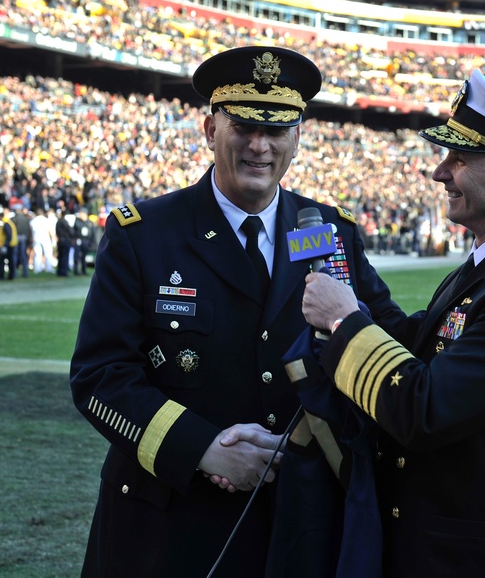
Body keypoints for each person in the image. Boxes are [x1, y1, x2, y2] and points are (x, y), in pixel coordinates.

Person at [70, 46, 403, 578]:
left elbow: (390, 339)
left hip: (296, 525)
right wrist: (203, 448)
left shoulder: (328, 233)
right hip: (170, 524)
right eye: (243, 126)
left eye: (276, 131)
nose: (259, 145)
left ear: (298, 136)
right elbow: (99, 378)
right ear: (209, 129)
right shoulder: (144, 235)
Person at [299, 69, 485, 578]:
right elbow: (412, 338)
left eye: (459, 159)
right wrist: (341, 250)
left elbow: (424, 408)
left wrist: (343, 317)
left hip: (475, 561)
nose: (440, 172)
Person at [0, 206, 18, 280]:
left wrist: (5, 245)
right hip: (10, 245)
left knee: (3, 261)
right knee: (9, 260)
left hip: (7, 245)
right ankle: (11, 275)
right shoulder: (7, 222)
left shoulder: (6, 223)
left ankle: (3, 275)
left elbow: (9, 235)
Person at [55, 208, 75, 277]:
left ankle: (60, 271)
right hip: (65, 240)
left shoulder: (58, 222)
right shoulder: (65, 222)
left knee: (60, 256)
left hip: (60, 240)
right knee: (65, 256)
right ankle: (64, 271)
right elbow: (70, 231)